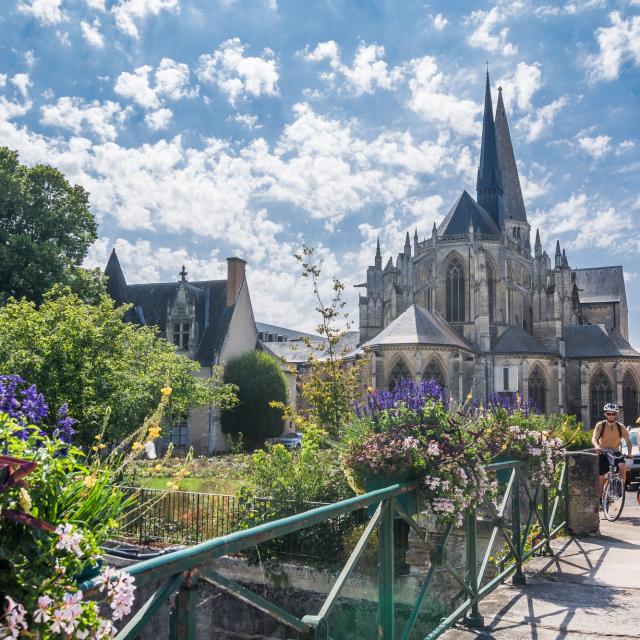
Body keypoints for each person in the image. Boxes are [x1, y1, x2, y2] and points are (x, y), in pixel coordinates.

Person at [592, 403, 633, 496]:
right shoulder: (600, 425)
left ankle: (618, 488)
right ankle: (600, 498)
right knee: (601, 477)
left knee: (622, 466)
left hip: (615, 451)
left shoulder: (620, 426)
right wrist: (597, 446)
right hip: (603, 452)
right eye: (609, 414)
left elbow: (628, 441)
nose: (611, 416)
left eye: (613, 414)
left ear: (616, 414)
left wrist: (630, 454)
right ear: (605, 414)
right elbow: (594, 438)